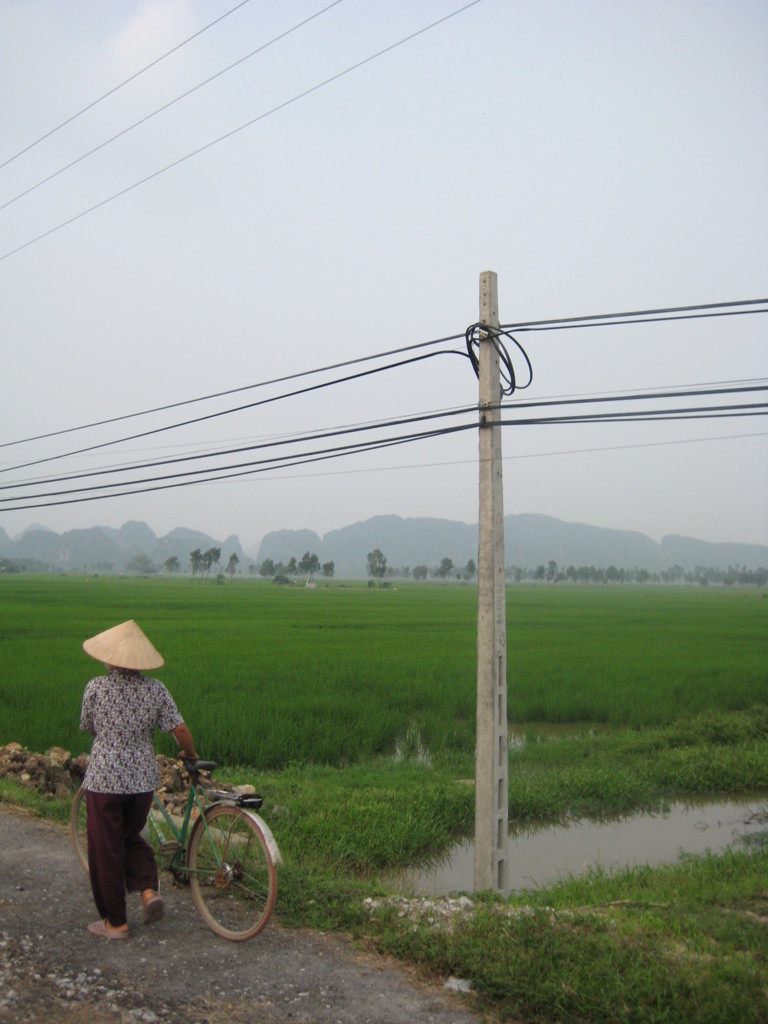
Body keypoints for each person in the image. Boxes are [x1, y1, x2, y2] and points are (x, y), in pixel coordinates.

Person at [79, 619, 198, 940]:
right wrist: (189, 754)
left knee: (106, 847)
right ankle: (148, 891)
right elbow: (181, 730)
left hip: (104, 781)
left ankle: (115, 922)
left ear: (111, 658)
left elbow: (89, 727)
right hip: (142, 781)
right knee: (131, 836)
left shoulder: (96, 688)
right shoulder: (155, 689)